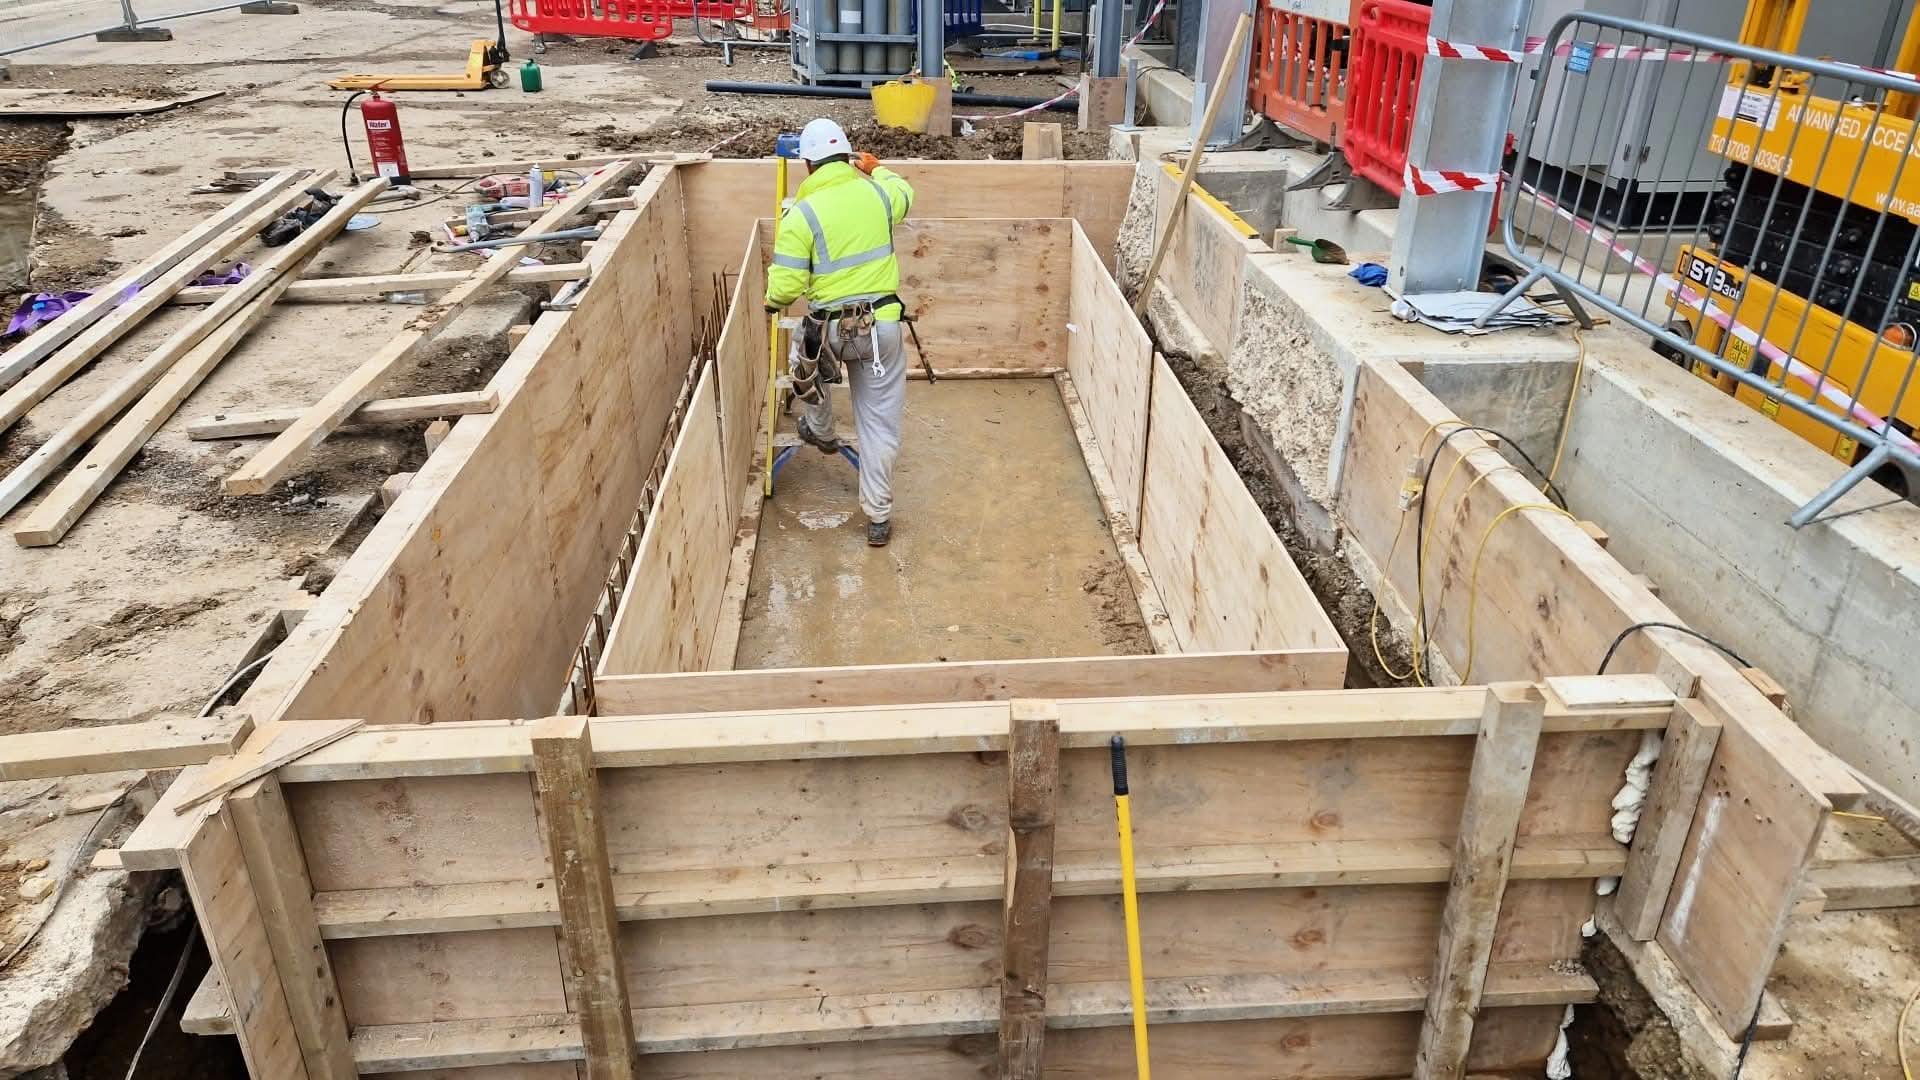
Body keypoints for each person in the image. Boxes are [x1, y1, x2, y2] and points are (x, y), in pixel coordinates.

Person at [764, 117, 916, 547]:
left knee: (805, 368)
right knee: (880, 424)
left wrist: (770, 304)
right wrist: (878, 168)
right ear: (850, 158)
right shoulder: (879, 192)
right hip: (881, 330)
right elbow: (906, 193)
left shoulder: (801, 213)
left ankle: (822, 430)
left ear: (808, 165)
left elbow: (787, 286)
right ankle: (879, 517)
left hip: (829, 328)